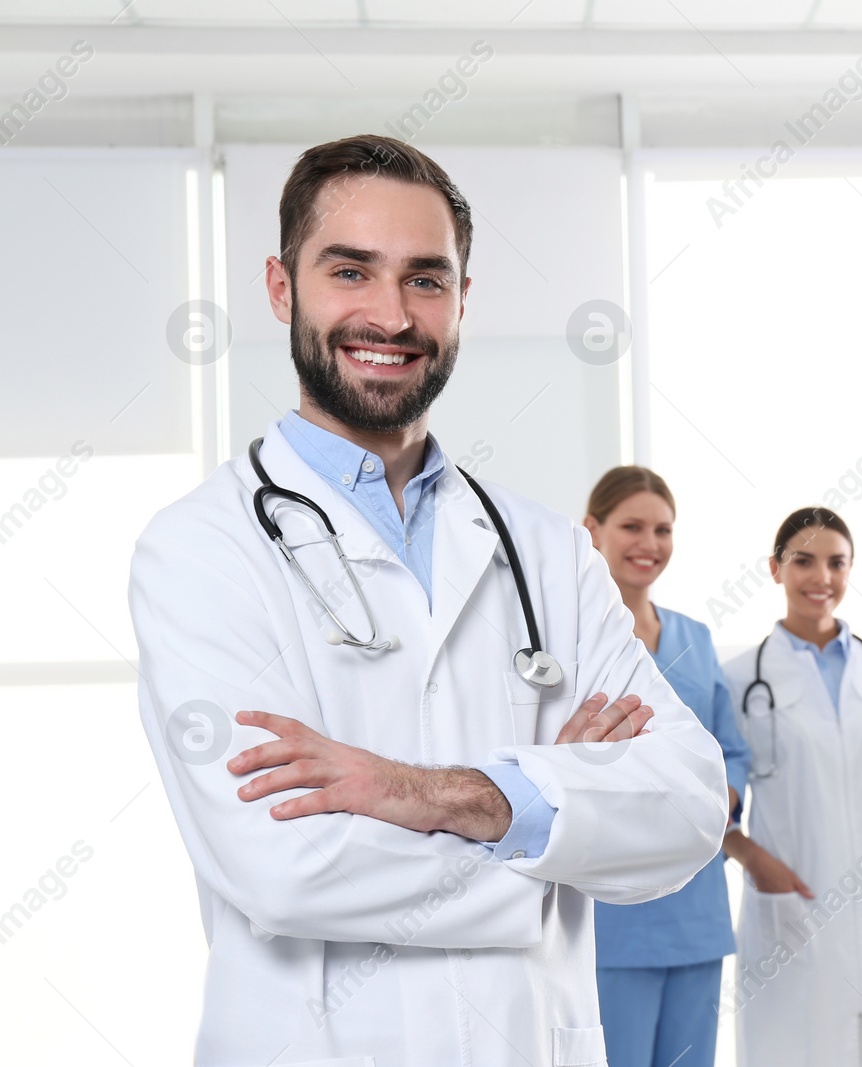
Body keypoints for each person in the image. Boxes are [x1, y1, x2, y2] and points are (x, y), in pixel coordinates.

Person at [128, 135, 728, 1067]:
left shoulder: (549, 553)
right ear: (283, 290)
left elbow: (689, 802)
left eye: (425, 279)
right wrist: (548, 836)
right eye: (351, 271)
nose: (390, 314)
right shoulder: (201, 547)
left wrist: (422, 793)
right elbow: (282, 867)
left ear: (460, 302)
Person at [721, 507, 862, 1067]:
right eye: (804, 561)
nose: (822, 578)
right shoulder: (740, 678)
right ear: (775, 569)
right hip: (794, 883)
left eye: (836, 563)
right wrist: (753, 860)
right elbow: (715, 804)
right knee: (791, 1040)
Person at [581, 466, 752, 1067]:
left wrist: (725, 796)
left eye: (663, 529)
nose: (649, 544)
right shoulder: (573, 639)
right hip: (613, 911)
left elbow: (730, 746)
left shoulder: (696, 637)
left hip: (697, 906)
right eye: (632, 526)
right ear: (591, 529)